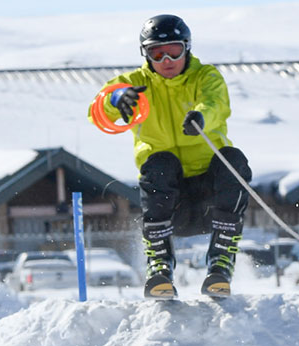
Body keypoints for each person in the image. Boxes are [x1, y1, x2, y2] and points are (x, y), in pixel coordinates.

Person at [88, 14, 252, 299]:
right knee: (160, 164)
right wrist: (117, 99)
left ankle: (221, 262)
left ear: (187, 48)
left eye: (173, 50)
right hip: (168, 199)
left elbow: (217, 104)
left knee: (233, 160)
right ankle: (160, 266)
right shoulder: (137, 84)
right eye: (156, 52)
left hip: (208, 197)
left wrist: (201, 117)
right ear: (146, 55)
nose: (166, 60)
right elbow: (99, 108)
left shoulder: (205, 76)